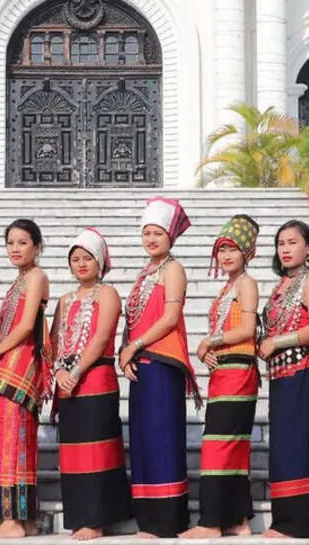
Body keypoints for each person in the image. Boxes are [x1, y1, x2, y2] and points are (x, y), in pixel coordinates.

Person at [118, 196, 199, 538]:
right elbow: (132, 319)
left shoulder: (173, 269)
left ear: (170, 237)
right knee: (144, 440)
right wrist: (126, 351)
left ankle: (168, 520)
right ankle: (148, 519)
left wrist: (134, 346)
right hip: (141, 364)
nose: (151, 239)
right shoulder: (144, 273)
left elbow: (169, 318)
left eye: (158, 234)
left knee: (163, 438)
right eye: (147, 233)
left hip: (163, 362)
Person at [180, 215, 261, 539]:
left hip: (239, 372)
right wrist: (209, 350)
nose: (226, 256)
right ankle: (238, 521)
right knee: (231, 446)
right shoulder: (228, 287)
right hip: (224, 371)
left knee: (220, 445)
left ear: (247, 253)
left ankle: (212, 522)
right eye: (222, 250)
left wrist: (209, 342)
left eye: (233, 250)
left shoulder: (246, 284)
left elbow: (246, 330)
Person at [258, 220, 309, 539]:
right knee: (284, 447)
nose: (285, 249)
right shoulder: (282, 285)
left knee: (300, 446)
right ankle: (287, 520)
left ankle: (302, 523)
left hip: (303, 372)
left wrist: (276, 343)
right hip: (281, 376)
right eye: (280, 243)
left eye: (292, 242)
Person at [50, 228, 131, 541]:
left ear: (100, 262)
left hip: (96, 377)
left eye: (87, 258)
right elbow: (55, 340)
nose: (81, 264)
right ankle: (80, 515)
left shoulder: (108, 293)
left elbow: (100, 337)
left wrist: (77, 371)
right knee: (73, 453)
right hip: (66, 381)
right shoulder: (64, 299)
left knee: (98, 450)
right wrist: (59, 373)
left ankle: (97, 519)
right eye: (75, 259)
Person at [0, 219, 52, 539]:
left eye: (22, 242)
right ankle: (24, 519)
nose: (15, 249)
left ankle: (14, 521)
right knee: (8, 437)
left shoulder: (36, 276)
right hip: (11, 362)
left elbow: (24, 327)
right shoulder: (18, 280)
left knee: (14, 439)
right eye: (10, 243)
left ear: (37, 246)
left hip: (22, 365)